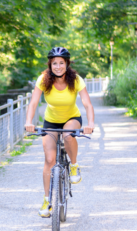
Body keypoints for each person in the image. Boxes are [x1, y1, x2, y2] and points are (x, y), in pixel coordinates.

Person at [24, 47, 96, 218]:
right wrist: (29, 122)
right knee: (49, 160)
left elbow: (87, 104)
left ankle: (74, 165)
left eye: (61, 63)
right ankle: (47, 200)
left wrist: (90, 123)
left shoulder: (76, 80)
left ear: (67, 64)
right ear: (50, 64)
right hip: (51, 121)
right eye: (54, 63)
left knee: (68, 134)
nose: (57, 66)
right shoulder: (43, 79)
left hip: (71, 118)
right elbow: (33, 103)